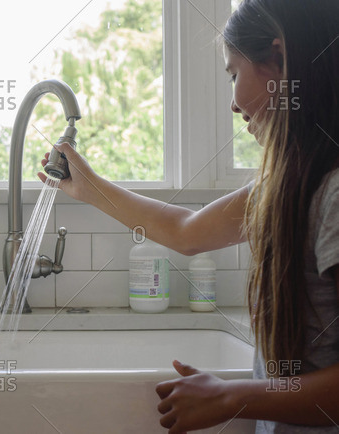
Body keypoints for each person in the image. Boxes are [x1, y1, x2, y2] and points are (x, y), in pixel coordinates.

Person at [39, 0, 339, 431]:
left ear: (278, 59)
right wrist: (89, 187)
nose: (234, 105)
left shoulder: (332, 192)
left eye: (234, 73)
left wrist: (231, 394)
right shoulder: (289, 184)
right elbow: (187, 231)